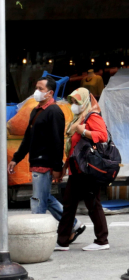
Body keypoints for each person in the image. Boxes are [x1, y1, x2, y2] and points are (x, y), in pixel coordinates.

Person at [8, 77, 85, 244]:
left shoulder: (55, 112)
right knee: (44, 197)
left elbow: (57, 141)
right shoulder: (36, 110)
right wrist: (16, 158)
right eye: (36, 87)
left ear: (50, 93)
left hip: (45, 162)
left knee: (38, 201)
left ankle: (38, 238)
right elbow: (28, 138)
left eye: (40, 88)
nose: (37, 91)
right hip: (35, 161)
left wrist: (57, 166)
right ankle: (74, 224)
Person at [56, 88, 109, 251]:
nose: (73, 105)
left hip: (88, 170)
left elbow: (103, 136)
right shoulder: (77, 118)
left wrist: (83, 131)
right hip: (75, 169)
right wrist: (65, 167)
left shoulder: (92, 116)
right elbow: (73, 148)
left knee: (93, 204)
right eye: (72, 102)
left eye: (77, 102)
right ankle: (62, 241)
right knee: (69, 204)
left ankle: (102, 241)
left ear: (85, 101)